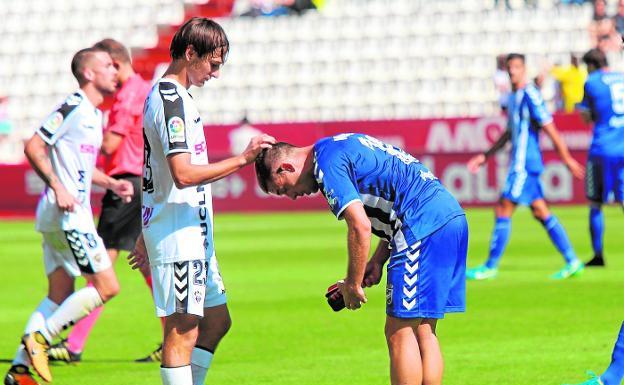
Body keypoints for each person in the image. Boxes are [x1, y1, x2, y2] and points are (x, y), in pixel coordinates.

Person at [127, 17, 274, 385]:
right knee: (182, 331)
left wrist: (145, 230)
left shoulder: (177, 99)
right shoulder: (169, 101)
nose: (216, 73)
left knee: (217, 321)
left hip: (191, 233)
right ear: (190, 53)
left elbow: (154, 171)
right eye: (213, 63)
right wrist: (242, 160)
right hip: (179, 235)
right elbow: (183, 173)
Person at [254, 133, 468, 385]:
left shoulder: (326, 163)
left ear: (286, 166)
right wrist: (378, 260)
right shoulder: (338, 145)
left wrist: (353, 285)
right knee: (424, 330)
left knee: (399, 332)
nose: (291, 196)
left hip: (422, 226)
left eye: (284, 188)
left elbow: (360, 225)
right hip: (451, 218)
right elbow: (396, 197)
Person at [3, 47, 133, 385]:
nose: (114, 70)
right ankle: (42, 339)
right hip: (69, 212)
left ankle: (19, 371)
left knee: (58, 293)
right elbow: (33, 145)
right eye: (107, 65)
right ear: (89, 74)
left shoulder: (93, 113)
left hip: (59, 212)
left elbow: (80, 168)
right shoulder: (75, 105)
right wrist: (59, 186)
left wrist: (111, 183)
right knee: (107, 286)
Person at [45, 38, 161, 364]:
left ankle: (72, 344)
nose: (108, 72)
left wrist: (77, 141)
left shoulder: (129, 94)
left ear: (115, 62)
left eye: (109, 65)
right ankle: (175, 334)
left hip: (126, 183)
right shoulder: (140, 90)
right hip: (134, 182)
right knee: (140, 265)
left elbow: (110, 145)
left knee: (99, 270)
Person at [465, 53, 585, 281]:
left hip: (524, 164)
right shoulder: (513, 96)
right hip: (521, 163)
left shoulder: (530, 93)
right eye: (510, 67)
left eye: (517, 67)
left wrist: (566, 158)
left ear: (524, 69)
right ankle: (573, 261)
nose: (513, 71)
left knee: (503, 207)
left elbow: (549, 127)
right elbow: (510, 132)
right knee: (541, 212)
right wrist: (485, 156)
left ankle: (490, 266)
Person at [576, 48, 624, 267]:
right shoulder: (621, 78)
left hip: (602, 149)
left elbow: (588, 117)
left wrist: (582, 110)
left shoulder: (592, 82)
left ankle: (598, 255)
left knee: (596, 202)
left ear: (591, 65)